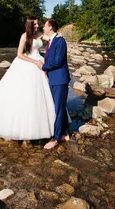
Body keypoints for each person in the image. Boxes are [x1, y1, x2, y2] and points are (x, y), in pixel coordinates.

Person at [0, 17, 56, 140]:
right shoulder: (24, 36)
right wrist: (34, 61)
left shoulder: (40, 35)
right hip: (28, 63)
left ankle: (47, 125)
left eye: (37, 24)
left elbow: (52, 38)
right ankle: (20, 128)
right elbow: (19, 54)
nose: (37, 26)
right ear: (29, 25)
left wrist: (59, 36)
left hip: (39, 63)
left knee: (41, 94)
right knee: (23, 94)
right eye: (35, 24)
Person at [37, 19, 71, 150]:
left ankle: (56, 138)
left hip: (60, 80)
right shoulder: (52, 40)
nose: (43, 28)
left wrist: (43, 66)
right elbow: (50, 53)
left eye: (45, 26)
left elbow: (57, 62)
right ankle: (65, 132)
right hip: (53, 79)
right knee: (58, 106)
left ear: (50, 27)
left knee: (58, 108)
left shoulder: (60, 41)